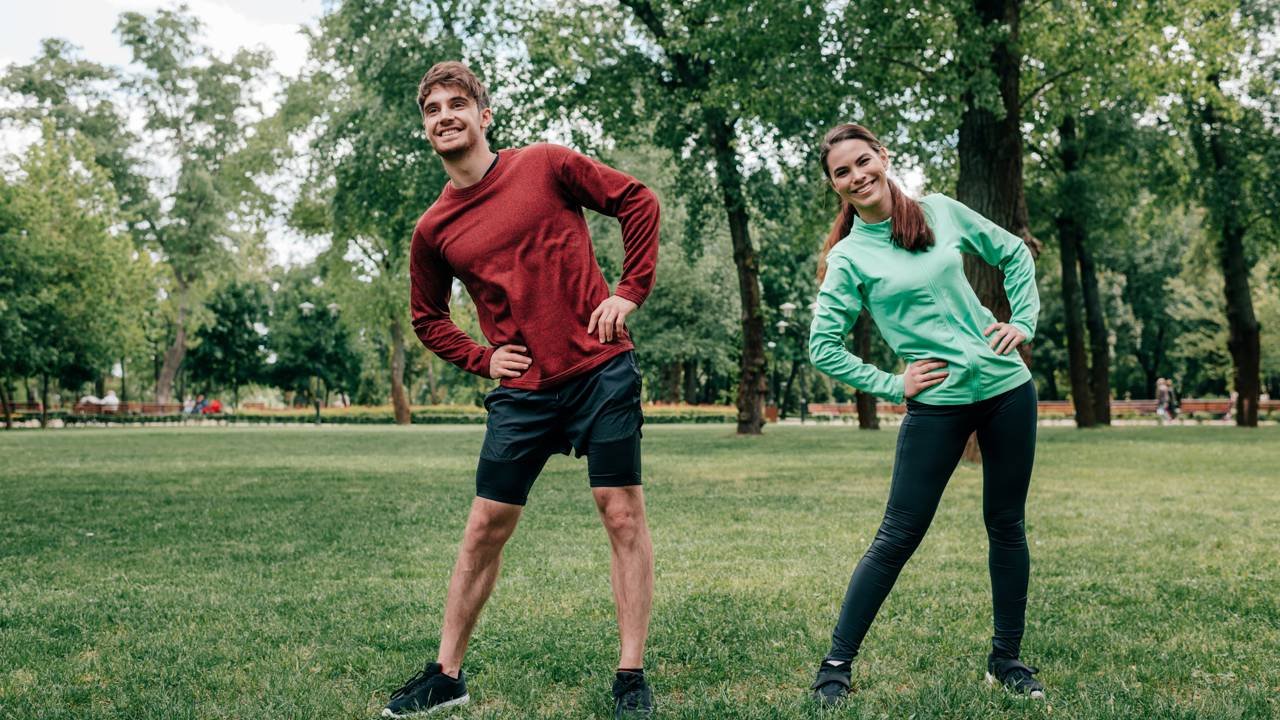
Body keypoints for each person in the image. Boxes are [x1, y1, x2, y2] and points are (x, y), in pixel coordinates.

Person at [384, 61, 660, 719]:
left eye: (457, 104)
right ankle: (447, 675)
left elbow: (638, 201)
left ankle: (630, 675)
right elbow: (427, 318)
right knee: (486, 524)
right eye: (432, 110)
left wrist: (628, 291)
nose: (445, 116)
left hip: (600, 369)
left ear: (484, 116)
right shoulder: (434, 230)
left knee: (620, 510)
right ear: (426, 128)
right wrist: (483, 359)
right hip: (524, 393)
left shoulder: (545, 164)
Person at [806, 123, 1045, 705]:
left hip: (1007, 389)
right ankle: (836, 665)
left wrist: (1023, 322)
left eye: (863, 161)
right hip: (937, 406)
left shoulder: (940, 211)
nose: (858, 176)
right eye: (842, 172)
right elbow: (823, 346)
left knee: (1006, 524)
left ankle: (1006, 659)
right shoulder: (849, 257)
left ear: (883, 157)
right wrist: (892, 383)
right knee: (897, 536)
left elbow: (1014, 252)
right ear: (835, 186)